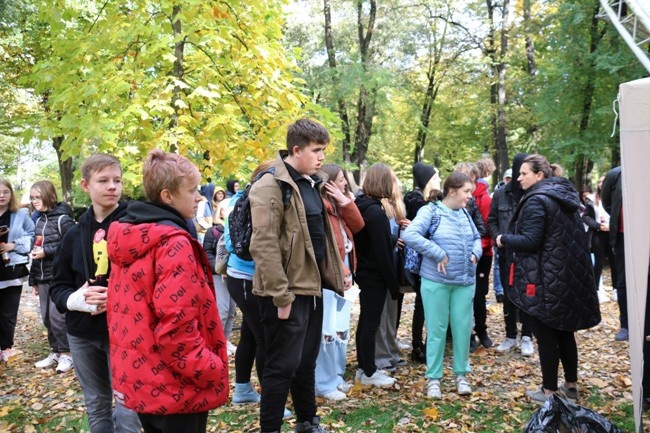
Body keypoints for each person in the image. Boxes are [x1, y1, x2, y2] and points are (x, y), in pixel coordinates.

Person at [106, 150, 228, 432]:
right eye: (192, 190)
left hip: (144, 380)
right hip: (176, 386)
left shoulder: (131, 235)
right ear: (167, 196)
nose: (199, 197)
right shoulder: (173, 243)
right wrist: (211, 367)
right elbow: (177, 326)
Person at [249, 118, 344, 433]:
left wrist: (336, 271)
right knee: (281, 368)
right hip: (285, 292)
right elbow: (263, 244)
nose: (321, 157)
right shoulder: (270, 186)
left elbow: (318, 236)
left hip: (310, 289)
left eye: (323, 151)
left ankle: (307, 422)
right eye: (316, 150)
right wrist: (281, 294)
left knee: (305, 363)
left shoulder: (310, 182)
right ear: (296, 149)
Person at [496, 154, 600, 403]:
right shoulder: (564, 197)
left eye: (524, 173)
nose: (518, 178)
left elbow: (531, 241)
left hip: (544, 278)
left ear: (539, 176)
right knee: (565, 332)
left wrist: (503, 239)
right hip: (566, 277)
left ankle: (549, 391)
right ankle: (571, 386)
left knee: (546, 336)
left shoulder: (537, 200)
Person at [50, 155, 141, 433]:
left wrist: (119, 296)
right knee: (97, 403)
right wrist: (75, 300)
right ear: (85, 185)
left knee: (129, 405)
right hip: (82, 334)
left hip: (125, 333)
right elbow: (58, 286)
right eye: (103, 181)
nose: (112, 187)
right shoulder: (74, 235)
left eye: (117, 180)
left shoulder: (136, 227)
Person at [402, 171, 482, 399]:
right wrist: (438, 253)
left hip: (464, 281)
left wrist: (476, 253)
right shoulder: (431, 211)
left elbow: (477, 237)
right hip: (436, 283)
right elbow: (411, 235)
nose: (469, 197)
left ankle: (461, 375)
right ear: (452, 191)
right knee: (436, 331)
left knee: (462, 329)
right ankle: (434, 379)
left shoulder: (465, 214)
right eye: (466, 192)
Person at [315, 163, 364, 401]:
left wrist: (345, 202)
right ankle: (323, 382)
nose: (345, 183)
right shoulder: (321, 208)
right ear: (329, 183)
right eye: (341, 179)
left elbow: (358, 226)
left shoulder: (336, 206)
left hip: (343, 278)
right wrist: (342, 268)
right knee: (327, 332)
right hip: (328, 278)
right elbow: (325, 245)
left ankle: (335, 376)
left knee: (340, 330)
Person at [353, 163, 401, 389]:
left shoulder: (362, 206)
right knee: (370, 323)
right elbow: (382, 253)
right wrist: (393, 285)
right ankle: (369, 371)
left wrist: (391, 239)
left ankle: (364, 367)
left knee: (366, 322)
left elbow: (373, 240)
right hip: (373, 275)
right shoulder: (375, 212)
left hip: (364, 272)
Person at [488, 153, 535, 356]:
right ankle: (510, 335)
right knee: (508, 295)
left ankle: (527, 336)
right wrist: (498, 237)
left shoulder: (533, 194)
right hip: (506, 253)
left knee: (528, 294)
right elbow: (491, 219)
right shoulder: (501, 194)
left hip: (528, 255)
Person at [28, 180, 76, 373]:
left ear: (49, 195)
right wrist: (33, 280)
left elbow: (71, 245)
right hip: (42, 277)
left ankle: (68, 355)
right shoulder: (38, 220)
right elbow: (35, 251)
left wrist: (46, 252)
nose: (34, 201)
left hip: (59, 278)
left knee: (58, 318)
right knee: (47, 318)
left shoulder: (63, 219)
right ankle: (56, 351)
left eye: (37, 197)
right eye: (32, 198)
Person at [403, 162, 441, 363]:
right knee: (423, 304)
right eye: (436, 177)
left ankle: (420, 345)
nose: (439, 180)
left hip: (423, 257)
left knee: (423, 304)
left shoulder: (420, 199)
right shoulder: (418, 201)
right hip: (422, 259)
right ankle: (418, 346)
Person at [0, 179, 35, 363]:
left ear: (11, 194)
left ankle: (6, 347)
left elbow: (32, 235)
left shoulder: (20, 215)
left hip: (11, 270)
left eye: (5, 192)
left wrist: (12, 245)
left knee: (7, 312)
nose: (1, 195)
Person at [203, 223, 238, 356]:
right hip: (218, 276)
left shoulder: (237, 227)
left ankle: (225, 340)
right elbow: (207, 253)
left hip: (234, 275)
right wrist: (220, 268)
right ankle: (216, 343)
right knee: (222, 310)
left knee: (231, 310)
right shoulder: (213, 232)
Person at [602, 167, 628, 341]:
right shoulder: (615, 174)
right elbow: (607, 203)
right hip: (622, 237)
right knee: (622, 281)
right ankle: (626, 324)